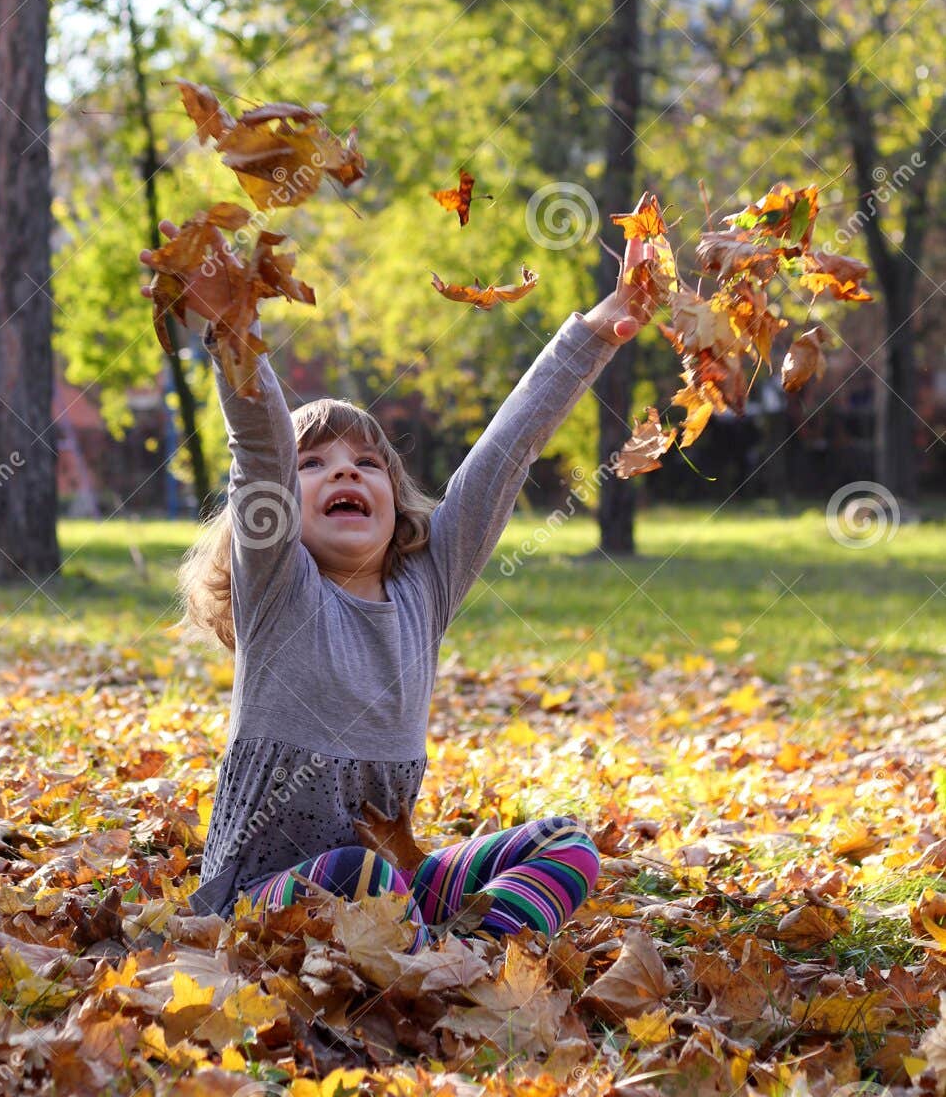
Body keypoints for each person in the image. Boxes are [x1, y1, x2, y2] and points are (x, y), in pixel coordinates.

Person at [138, 219, 658, 948]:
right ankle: (422, 962)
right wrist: (233, 334)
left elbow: (504, 455)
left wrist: (599, 327)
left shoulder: (428, 585)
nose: (344, 470)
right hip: (259, 906)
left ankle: (474, 958)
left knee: (567, 844)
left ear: (394, 494)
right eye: (313, 464)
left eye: (366, 462)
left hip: (388, 883)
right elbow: (259, 450)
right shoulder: (280, 593)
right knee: (361, 876)